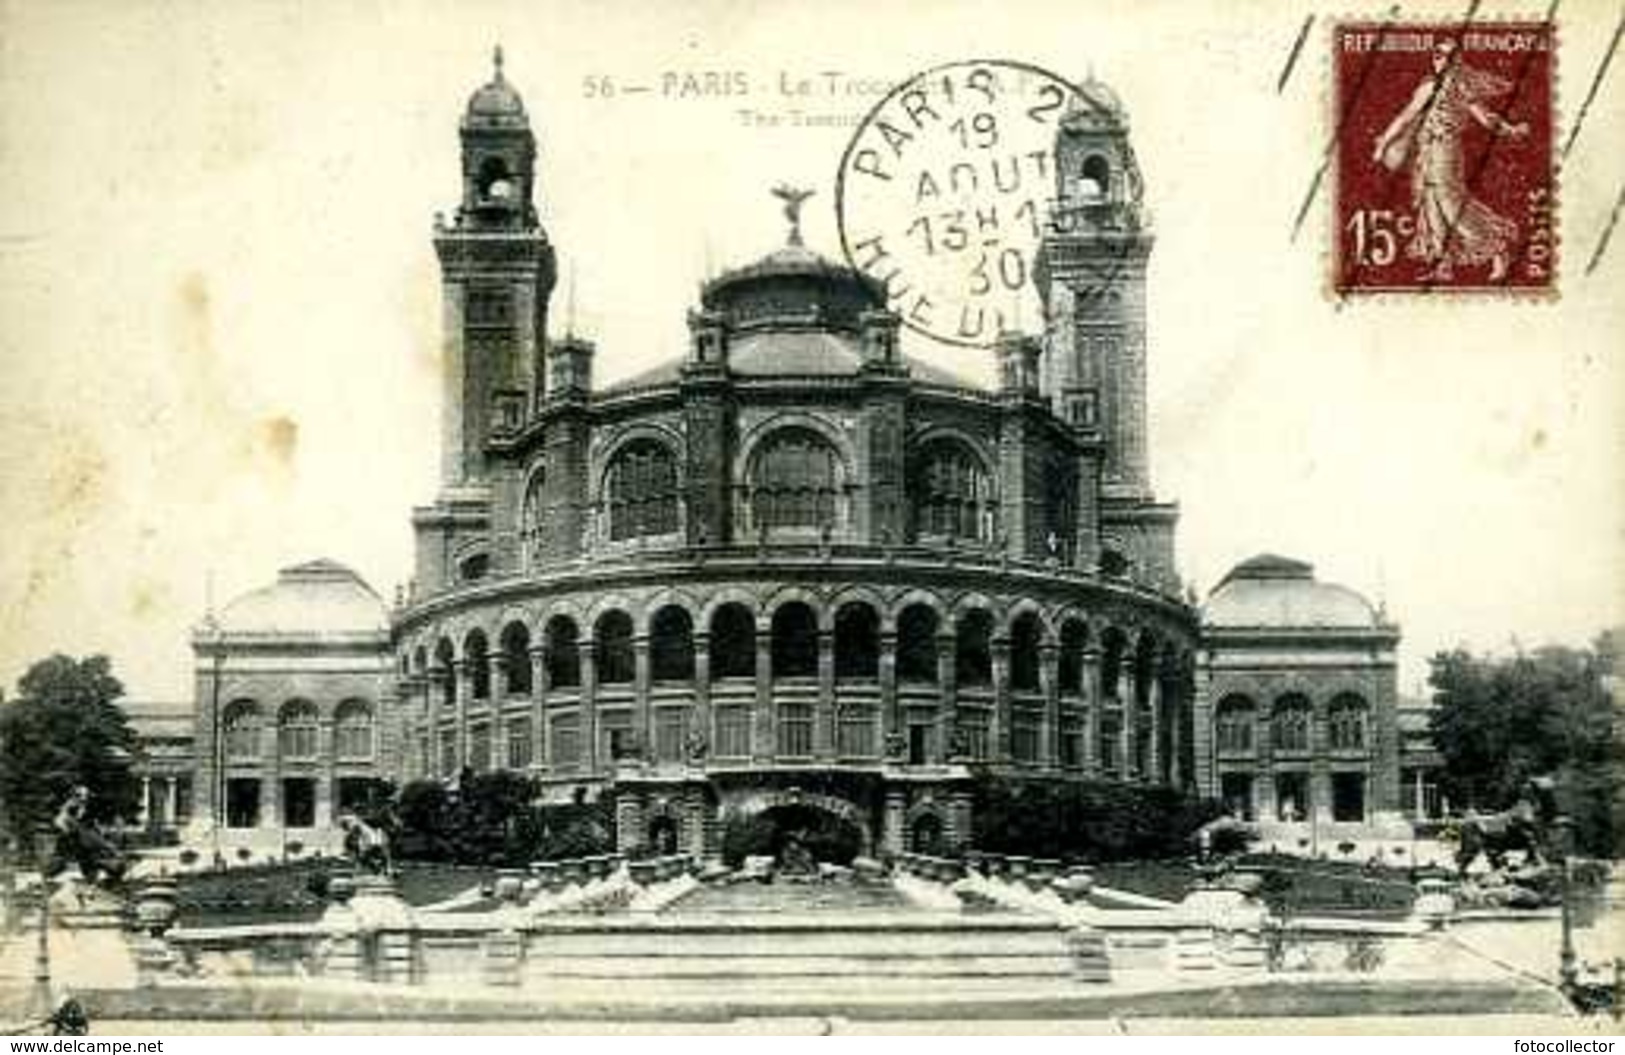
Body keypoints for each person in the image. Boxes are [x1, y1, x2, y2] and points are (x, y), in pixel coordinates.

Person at [1371, 38, 1529, 281]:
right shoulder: (1427, 87)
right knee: (1431, 204)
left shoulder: (1461, 87)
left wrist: (1511, 131)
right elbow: (1405, 117)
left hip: (1446, 149)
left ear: (1456, 60)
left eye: (1446, 56)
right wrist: (1383, 143)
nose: (1439, 60)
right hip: (1426, 152)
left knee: (1451, 203)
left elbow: (1486, 118)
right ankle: (1442, 266)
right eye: (1436, 55)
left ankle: (1497, 248)